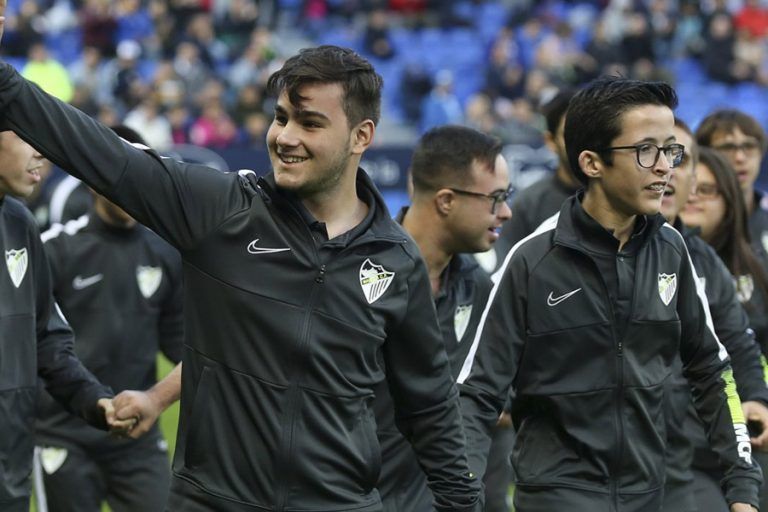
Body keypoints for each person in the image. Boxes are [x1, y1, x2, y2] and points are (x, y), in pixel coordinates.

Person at [0, 38, 482, 512]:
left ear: (362, 136)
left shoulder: (396, 261)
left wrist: (461, 504)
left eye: (310, 123)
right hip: (210, 501)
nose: (285, 137)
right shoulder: (219, 210)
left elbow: (430, 407)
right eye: (281, 117)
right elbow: (105, 155)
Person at [457, 76, 761, 512]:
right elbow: (478, 393)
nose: (665, 167)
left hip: (652, 495)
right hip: (556, 498)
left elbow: (714, 373)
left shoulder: (673, 251)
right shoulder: (531, 262)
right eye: (646, 151)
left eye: (670, 151)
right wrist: (459, 496)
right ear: (592, 163)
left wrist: (743, 487)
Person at [33, 125, 184, 512]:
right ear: (95, 177)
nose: (134, 188)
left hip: (138, 435)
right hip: (63, 435)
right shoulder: (55, 251)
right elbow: (35, 346)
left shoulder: (164, 254)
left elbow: (184, 345)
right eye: (122, 173)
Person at [375, 125, 511, 511]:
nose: (506, 211)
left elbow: (491, 404)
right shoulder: (359, 274)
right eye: (496, 198)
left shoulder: (479, 287)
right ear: (447, 200)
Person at [0, 128, 128, 512]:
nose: (42, 151)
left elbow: (46, 339)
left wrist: (95, 400)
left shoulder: (18, 223)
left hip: (11, 471)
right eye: (25, 136)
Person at [661, 121, 768, 512]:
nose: (666, 170)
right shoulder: (557, 247)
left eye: (679, 159)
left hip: (705, 445)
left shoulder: (702, 260)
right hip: (605, 463)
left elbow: (737, 346)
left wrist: (757, 398)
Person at [492, 87, 580, 270]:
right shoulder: (528, 205)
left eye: (589, 133)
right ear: (550, 141)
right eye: (569, 135)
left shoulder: (616, 199)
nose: (581, 143)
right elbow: (506, 272)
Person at [695, 109, 768, 260]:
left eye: (749, 146)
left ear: (761, 153)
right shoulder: (692, 215)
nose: (740, 157)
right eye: (727, 148)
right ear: (704, 156)